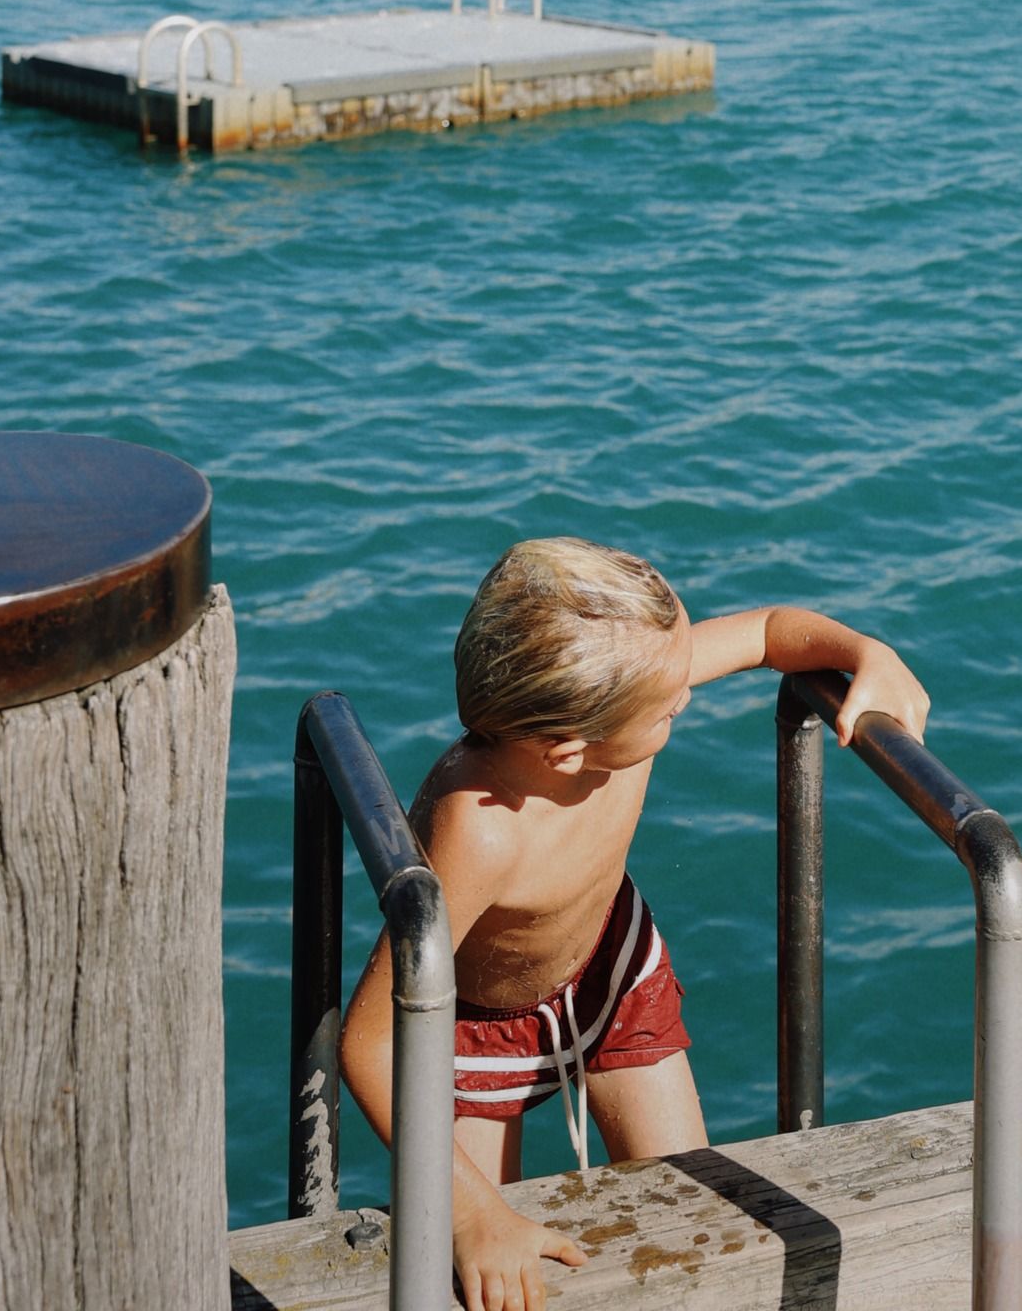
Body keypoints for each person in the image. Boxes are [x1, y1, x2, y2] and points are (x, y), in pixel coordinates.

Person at [340, 536, 929, 1311]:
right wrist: (475, 1215)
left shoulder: (626, 694)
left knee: (694, 1211)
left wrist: (865, 652)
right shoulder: (481, 830)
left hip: (613, 966)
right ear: (568, 752)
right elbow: (371, 1042)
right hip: (477, 1029)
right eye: (666, 706)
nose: (683, 697)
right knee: (479, 1272)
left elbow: (767, 632)